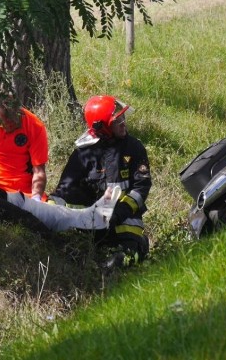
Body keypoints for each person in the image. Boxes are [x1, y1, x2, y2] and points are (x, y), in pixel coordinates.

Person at [52, 95, 152, 267]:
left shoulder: (134, 147)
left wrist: (119, 212)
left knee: (124, 259)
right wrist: (50, 208)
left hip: (126, 220)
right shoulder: (84, 154)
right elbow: (64, 190)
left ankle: (138, 246)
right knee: (74, 258)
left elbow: (141, 187)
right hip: (92, 224)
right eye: (117, 120)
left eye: (123, 117)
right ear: (103, 127)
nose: (123, 123)